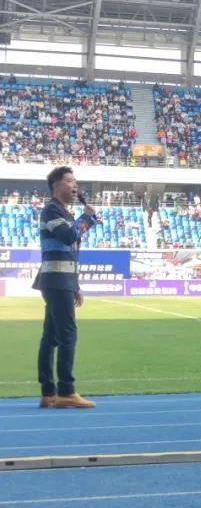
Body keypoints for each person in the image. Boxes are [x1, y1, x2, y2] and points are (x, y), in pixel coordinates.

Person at [35, 166, 97, 408]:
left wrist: (75, 284)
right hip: (56, 280)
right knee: (68, 335)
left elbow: (70, 252)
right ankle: (66, 391)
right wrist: (87, 218)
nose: (75, 186)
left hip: (60, 280)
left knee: (50, 337)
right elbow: (68, 236)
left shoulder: (61, 211)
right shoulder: (52, 210)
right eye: (70, 181)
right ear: (56, 185)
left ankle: (49, 392)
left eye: (76, 182)